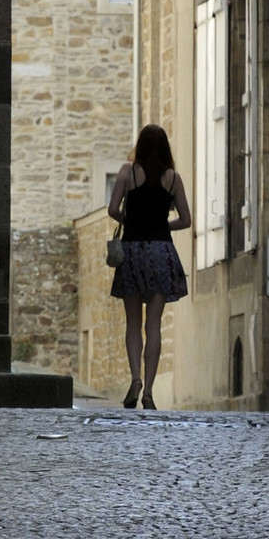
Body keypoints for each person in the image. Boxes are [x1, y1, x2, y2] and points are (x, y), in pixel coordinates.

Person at [107, 124, 191, 410]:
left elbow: (112, 209)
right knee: (153, 324)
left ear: (140, 145)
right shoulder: (173, 178)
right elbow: (186, 220)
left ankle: (135, 379)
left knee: (133, 323)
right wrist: (163, 225)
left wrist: (130, 220)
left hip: (132, 251)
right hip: (161, 252)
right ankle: (150, 393)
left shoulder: (127, 172)